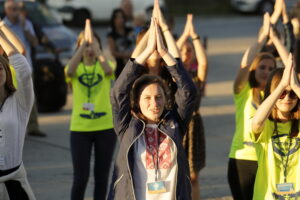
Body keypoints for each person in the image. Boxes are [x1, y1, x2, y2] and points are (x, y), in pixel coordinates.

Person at [109, 16, 196, 200]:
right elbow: (118, 92)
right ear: (137, 101)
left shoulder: (175, 122)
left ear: (166, 99)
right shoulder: (127, 126)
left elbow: (188, 92)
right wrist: (147, 51)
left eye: (159, 97)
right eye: (147, 98)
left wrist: (164, 52)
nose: (154, 103)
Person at [227, 13, 278, 200]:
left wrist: (277, 41)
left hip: (268, 160)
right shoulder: (243, 91)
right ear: (254, 70)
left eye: (271, 68)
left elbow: (291, 68)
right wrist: (261, 39)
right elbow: (245, 64)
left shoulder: (278, 96)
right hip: (242, 159)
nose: (266, 71)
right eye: (262, 67)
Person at [65, 19, 116, 200]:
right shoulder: (75, 68)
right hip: (80, 129)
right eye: (85, 45)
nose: (89, 49)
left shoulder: (105, 64)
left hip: (105, 128)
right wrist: (82, 46)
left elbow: (109, 71)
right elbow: (69, 72)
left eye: (92, 45)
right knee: (81, 178)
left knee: (102, 178)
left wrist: (97, 49)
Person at [251, 54, 300, 199]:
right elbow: (257, 122)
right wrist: (282, 85)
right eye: (282, 94)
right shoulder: (265, 124)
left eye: (292, 95)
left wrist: (296, 86)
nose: (287, 98)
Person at [0, 20, 35, 200]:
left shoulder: (18, 101)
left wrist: (1, 27)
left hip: (14, 181)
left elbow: (20, 58)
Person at [176, 14, 208, 200]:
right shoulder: (173, 75)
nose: (186, 53)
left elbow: (203, 62)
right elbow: (170, 56)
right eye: (183, 50)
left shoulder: (197, 76)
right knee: (176, 175)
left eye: (189, 51)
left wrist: (193, 36)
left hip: (194, 126)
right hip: (177, 125)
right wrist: (184, 35)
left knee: (193, 177)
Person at [3, 0, 45, 137]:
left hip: (25, 66)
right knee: (8, 98)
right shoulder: (3, 26)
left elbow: (34, 42)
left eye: (18, 9)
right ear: (6, 10)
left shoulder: (26, 23)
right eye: (13, 9)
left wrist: (25, 28)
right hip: (7, 68)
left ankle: (33, 127)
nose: (16, 12)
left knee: (29, 96)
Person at [107, 8, 134, 78]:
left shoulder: (130, 30)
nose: (120, 20)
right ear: (113, 19)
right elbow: (113, 52)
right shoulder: (112, 35)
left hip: (134, 65)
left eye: (122, 17)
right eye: (117, 17)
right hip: (120, 67)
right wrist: (127, 55)